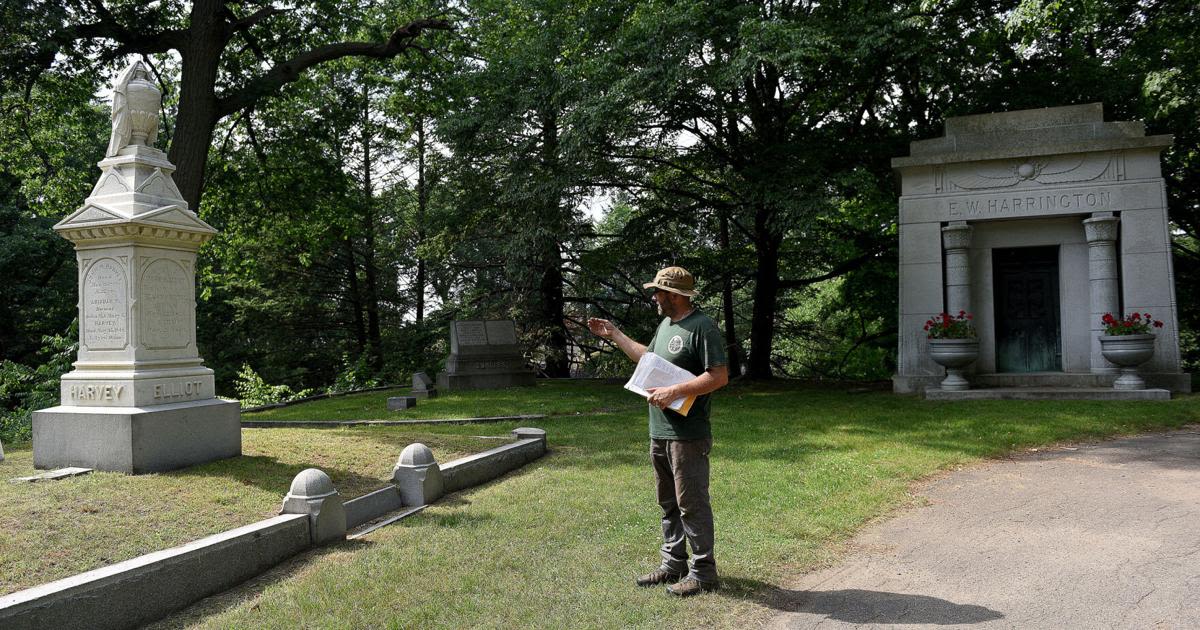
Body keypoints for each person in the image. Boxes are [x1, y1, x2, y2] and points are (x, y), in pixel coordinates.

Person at [587, 266, 729, 597]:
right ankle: (673, 565)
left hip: (688, 435)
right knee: (668, 502)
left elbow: (719, 377)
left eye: (659, 292)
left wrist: (675, 391)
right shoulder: (665, 325)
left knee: (691, 503)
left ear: (675, 295)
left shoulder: (702, 327)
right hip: (660, 431)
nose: (654, 297)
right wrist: (615, 334)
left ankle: (704, 573)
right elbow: (648, 359)